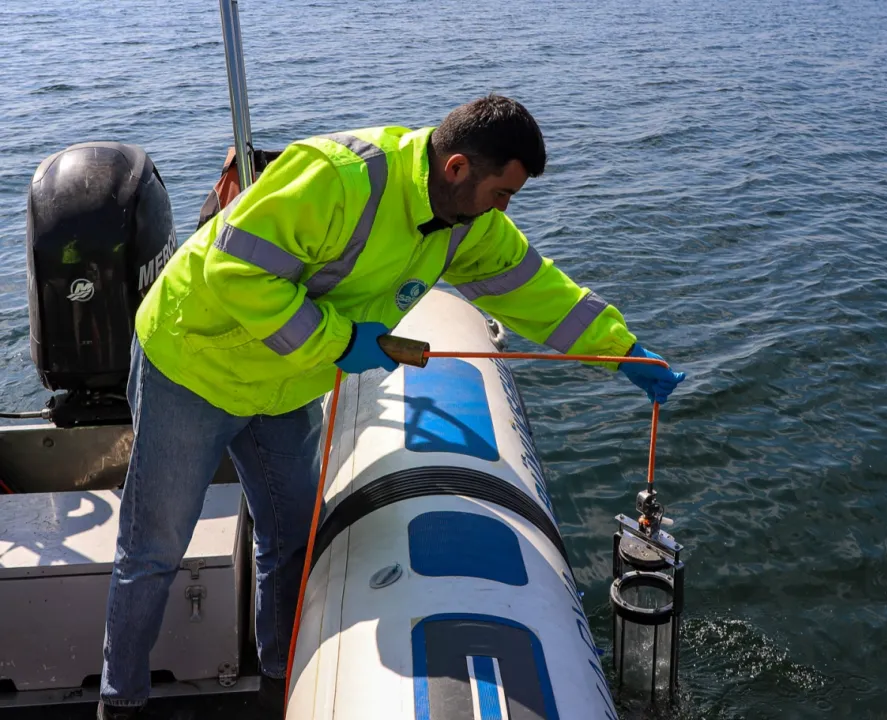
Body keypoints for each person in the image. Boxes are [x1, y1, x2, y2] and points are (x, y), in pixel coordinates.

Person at [97, 94, 686, 719]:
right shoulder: (337, 179)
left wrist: (622, 351)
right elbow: (233, 272)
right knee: (154, 550)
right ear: (457, 167)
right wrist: (340, 342)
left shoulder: (468, 223)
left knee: (292, 540)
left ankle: (279, 677)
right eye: (501, 193)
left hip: (281, 385)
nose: (503, 209)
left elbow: (534, 289)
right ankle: (121, 701)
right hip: (195, 366)